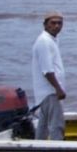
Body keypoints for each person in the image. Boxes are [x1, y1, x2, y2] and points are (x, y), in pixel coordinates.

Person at [31, 10, 67, 141]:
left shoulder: (52, 40)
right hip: (50, 91)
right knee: (57, 125)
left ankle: (39, 147)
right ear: (45, 25)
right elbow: (47, 70)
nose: (57, 26)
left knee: (44, 125)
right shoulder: (44, 41)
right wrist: (58, 89)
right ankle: (58, 151)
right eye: (53, 23)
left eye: (60, 23)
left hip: (46, 92)